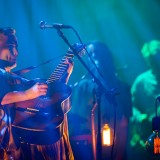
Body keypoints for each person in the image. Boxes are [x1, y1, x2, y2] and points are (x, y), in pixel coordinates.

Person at [0, 27, 74, 160]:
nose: (16, 52)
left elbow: (44, 100)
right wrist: (27, 94)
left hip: (23, 145)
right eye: (10, 46)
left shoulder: (11, 78)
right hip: (6, 148)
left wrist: (64, 78)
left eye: (16, 47)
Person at [68, 41, 132, 160]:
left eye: (97, 53)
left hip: (117, 148)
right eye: (91, 54)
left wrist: (118, 153)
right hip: (89, 150)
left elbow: (125, 123)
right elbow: (76, 120)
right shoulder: (82, 87)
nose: (95, 57)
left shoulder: (123, 88)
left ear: (107, 57)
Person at [130, 40, 160, 160]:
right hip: (150, 133)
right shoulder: (141, 81)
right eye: (151, 60)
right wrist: (140, 117)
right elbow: (131, 106)